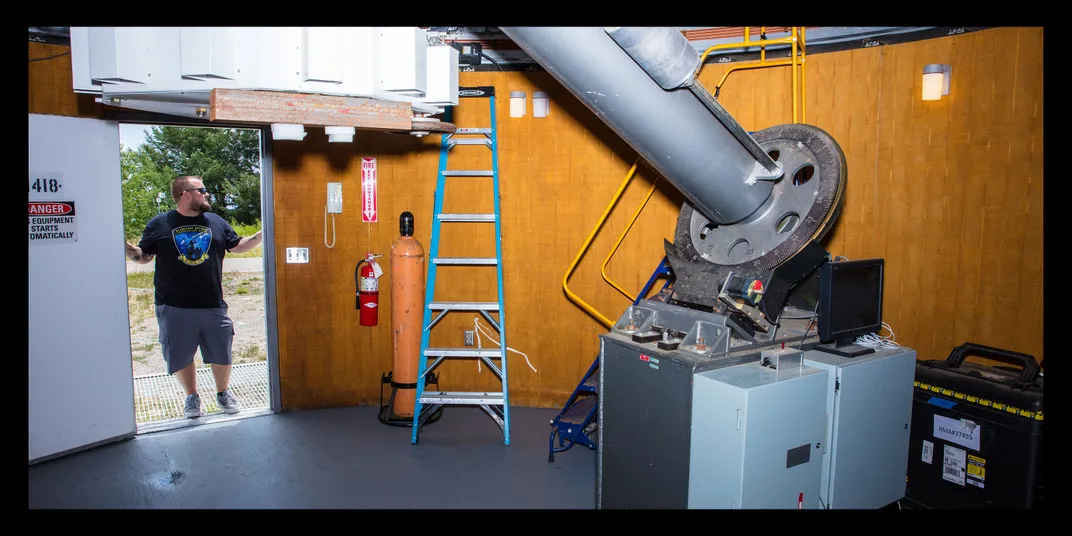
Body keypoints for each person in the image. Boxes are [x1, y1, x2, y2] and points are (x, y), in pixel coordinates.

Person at [125, 175, 263, 418]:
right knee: (180, 353)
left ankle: (223, 393)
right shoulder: (160, 224)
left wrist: (264, 232)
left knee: (222, 350)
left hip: (213, 303)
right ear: (185, 194)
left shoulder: (216, 222)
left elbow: (238, 245)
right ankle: (192, 396)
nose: (206, 194)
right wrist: (124, 245)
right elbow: (144, 256)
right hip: (174, 305)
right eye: (202, 190)